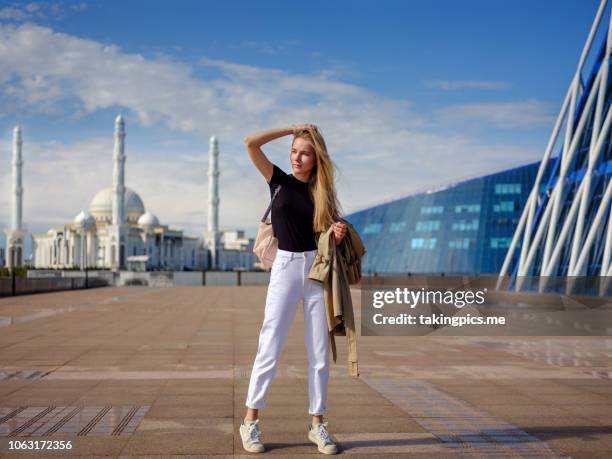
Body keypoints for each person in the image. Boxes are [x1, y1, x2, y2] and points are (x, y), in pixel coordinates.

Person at [239, 124, 347, 455]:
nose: (297, 158)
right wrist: (291, 130)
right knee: (269, 345)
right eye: (294, 152)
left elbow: (325, 236)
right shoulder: (279, 180)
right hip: (285, 267)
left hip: (315, 270)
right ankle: (250, 421)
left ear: (316, 159)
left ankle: (318, 425)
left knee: (319, 353)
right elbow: (250, 142)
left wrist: (336, 233)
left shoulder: (322, 193)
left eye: (304, 153)